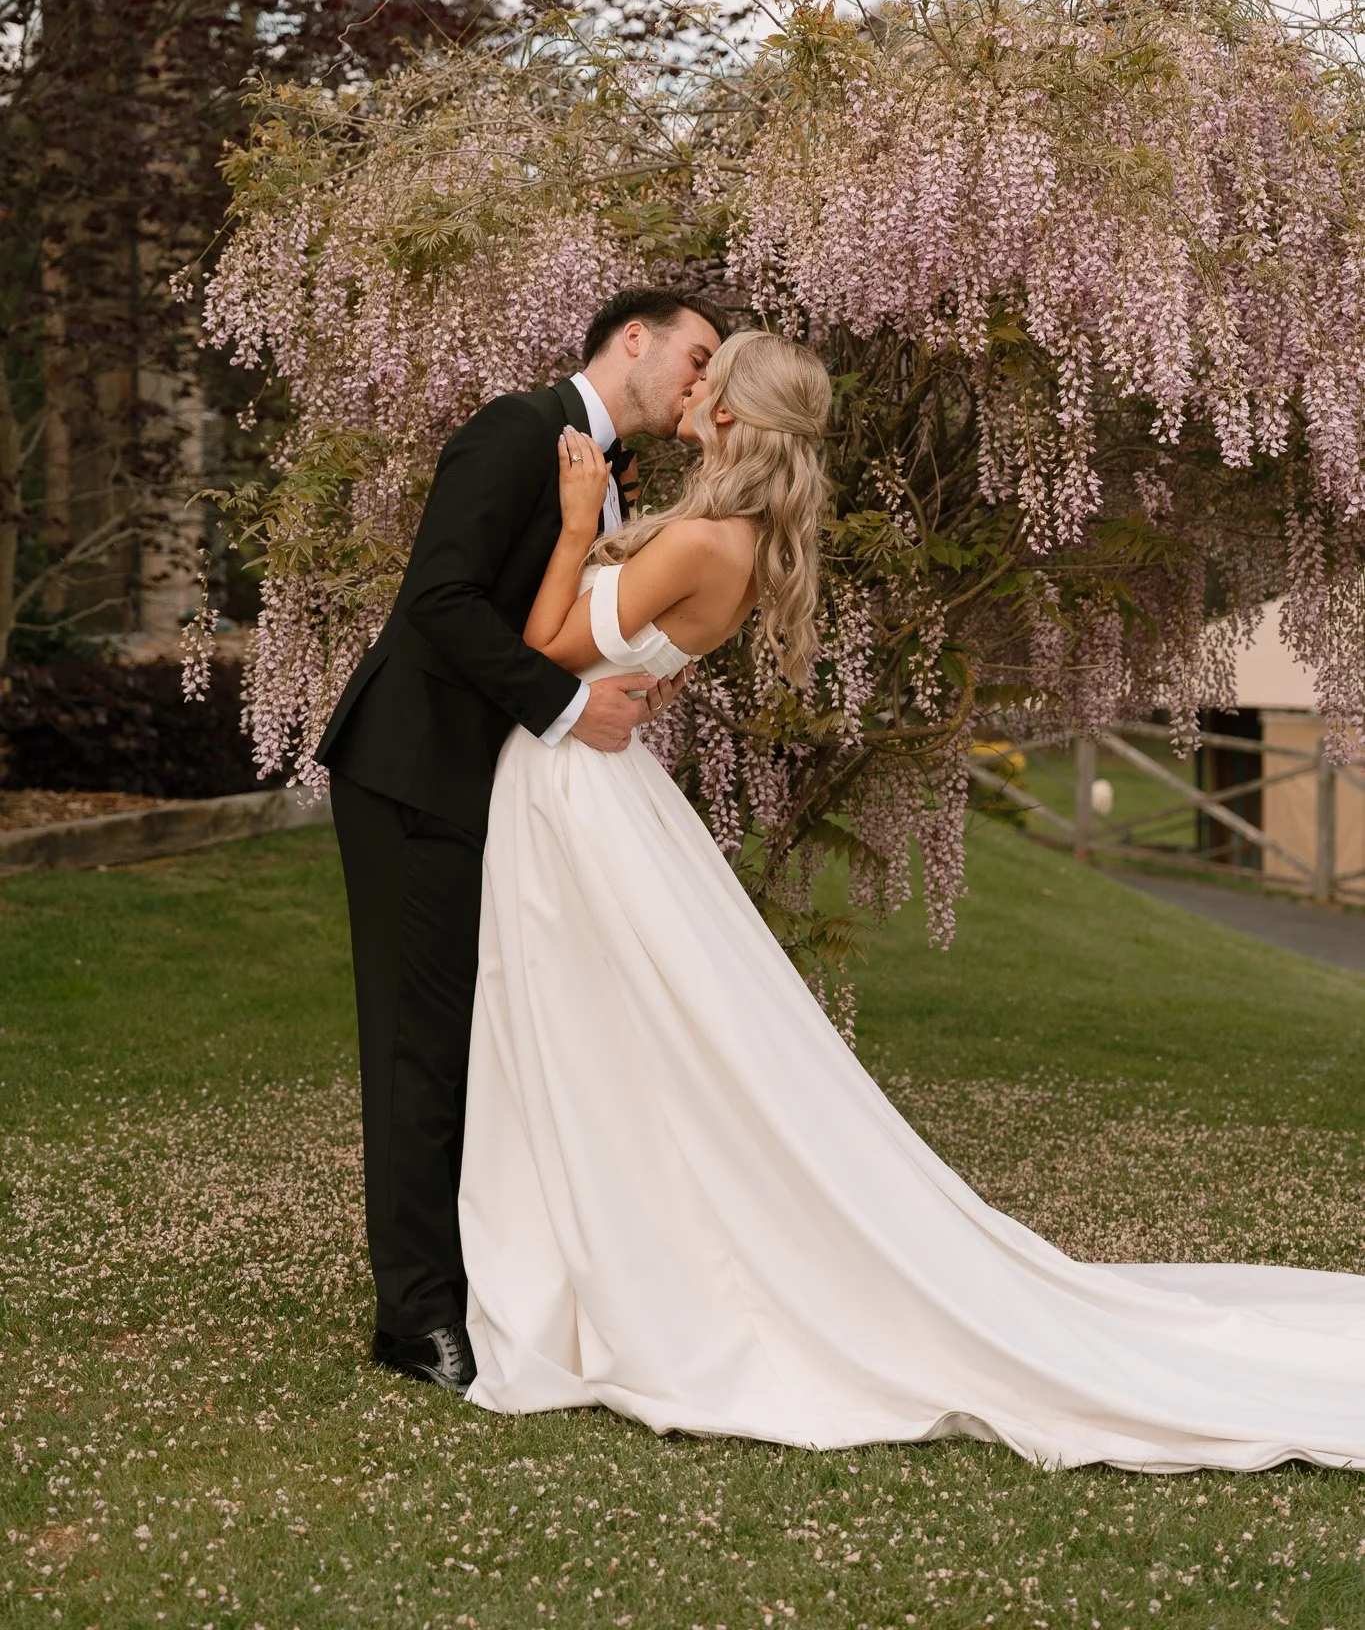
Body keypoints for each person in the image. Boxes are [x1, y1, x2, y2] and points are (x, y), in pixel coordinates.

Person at [461, 327, 1365, 1469]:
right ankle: (590, 1249)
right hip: (591, 785)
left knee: (593, 1031)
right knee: (603, 1035)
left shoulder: (700, 537)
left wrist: (582, 521)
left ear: (733, 416)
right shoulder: (730, 536)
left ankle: (612, 1272)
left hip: (576, 792)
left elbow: (541, 641)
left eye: (709, 376)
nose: (690, 386)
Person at [317, 288, 726, 1390]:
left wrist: (624, 672)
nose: (700, 381)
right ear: (631, 339)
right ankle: (414, 1316)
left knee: (467, 1033)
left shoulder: (609, 475)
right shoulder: (514, 430)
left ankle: (467, 1275)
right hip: (413, 766)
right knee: (416, 1037)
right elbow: (440, 601)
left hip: (488, 779)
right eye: (693, 358)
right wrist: (562, 704)